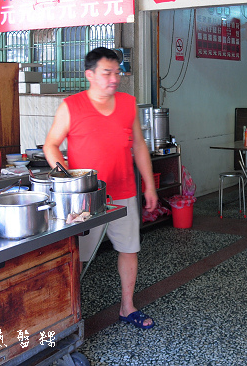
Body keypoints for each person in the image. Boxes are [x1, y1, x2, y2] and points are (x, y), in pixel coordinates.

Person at [44, 47, 158, 330]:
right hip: (85, 198)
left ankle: (127, 306)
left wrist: (150, 187)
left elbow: (140, 146)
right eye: (107, 73)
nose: (114, 79)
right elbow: (51, 145)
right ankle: (69, 315)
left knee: (129, 249)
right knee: (78, 256)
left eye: (117, 72)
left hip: (124, 190)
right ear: (90, 75)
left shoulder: (128, 104)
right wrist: (68, 180)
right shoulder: (71, 106)